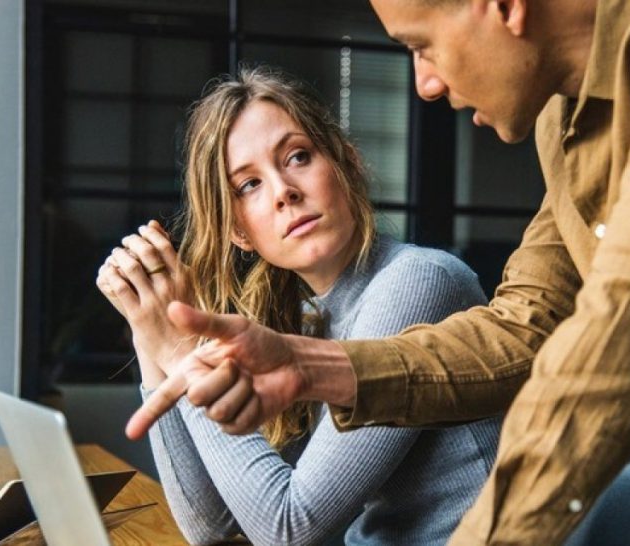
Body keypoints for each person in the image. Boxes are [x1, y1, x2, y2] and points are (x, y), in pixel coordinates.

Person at [129, 0, 630, 544]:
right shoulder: (566, 123)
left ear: (500, 4)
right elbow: (526, 325)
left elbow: (628, 335)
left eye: (420, 46)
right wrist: (306, 364)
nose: (425, 84)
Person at [98, 66, 502, 545]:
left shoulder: (417, 282)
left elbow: (288, 530)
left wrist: (182, 351)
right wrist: (150, 328)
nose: (283, 191)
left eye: (297, 157)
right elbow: (207, 526)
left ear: (348, 164)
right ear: (238, 231)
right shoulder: (309, 319)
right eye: (249, 185)